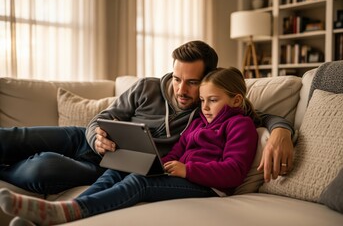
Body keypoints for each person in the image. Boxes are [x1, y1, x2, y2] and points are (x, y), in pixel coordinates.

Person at [0, 40, 293, 196]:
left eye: (192, 82)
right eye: (177, 78)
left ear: (206, 80)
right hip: (85, 139)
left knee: (40, 170)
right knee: (13, 136)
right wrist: (96, 136)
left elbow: (255, 113)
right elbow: (104, 117)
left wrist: (281, 130)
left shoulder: (208, 110)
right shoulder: (146, 87)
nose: (182, 89)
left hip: (108, 167)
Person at [0, 67, 260, 225]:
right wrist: (161, 164)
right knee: (118, 172)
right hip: (108, 148)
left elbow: (234, 171)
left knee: (139, 183)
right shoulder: (200, 117)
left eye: (211, 100)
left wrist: (186, 170)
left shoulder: (240, 125)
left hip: (209, 186)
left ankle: (74, 210)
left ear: (236, 100)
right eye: (203, 100)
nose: (203, 106)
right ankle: (64, 211)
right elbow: (180, 147)